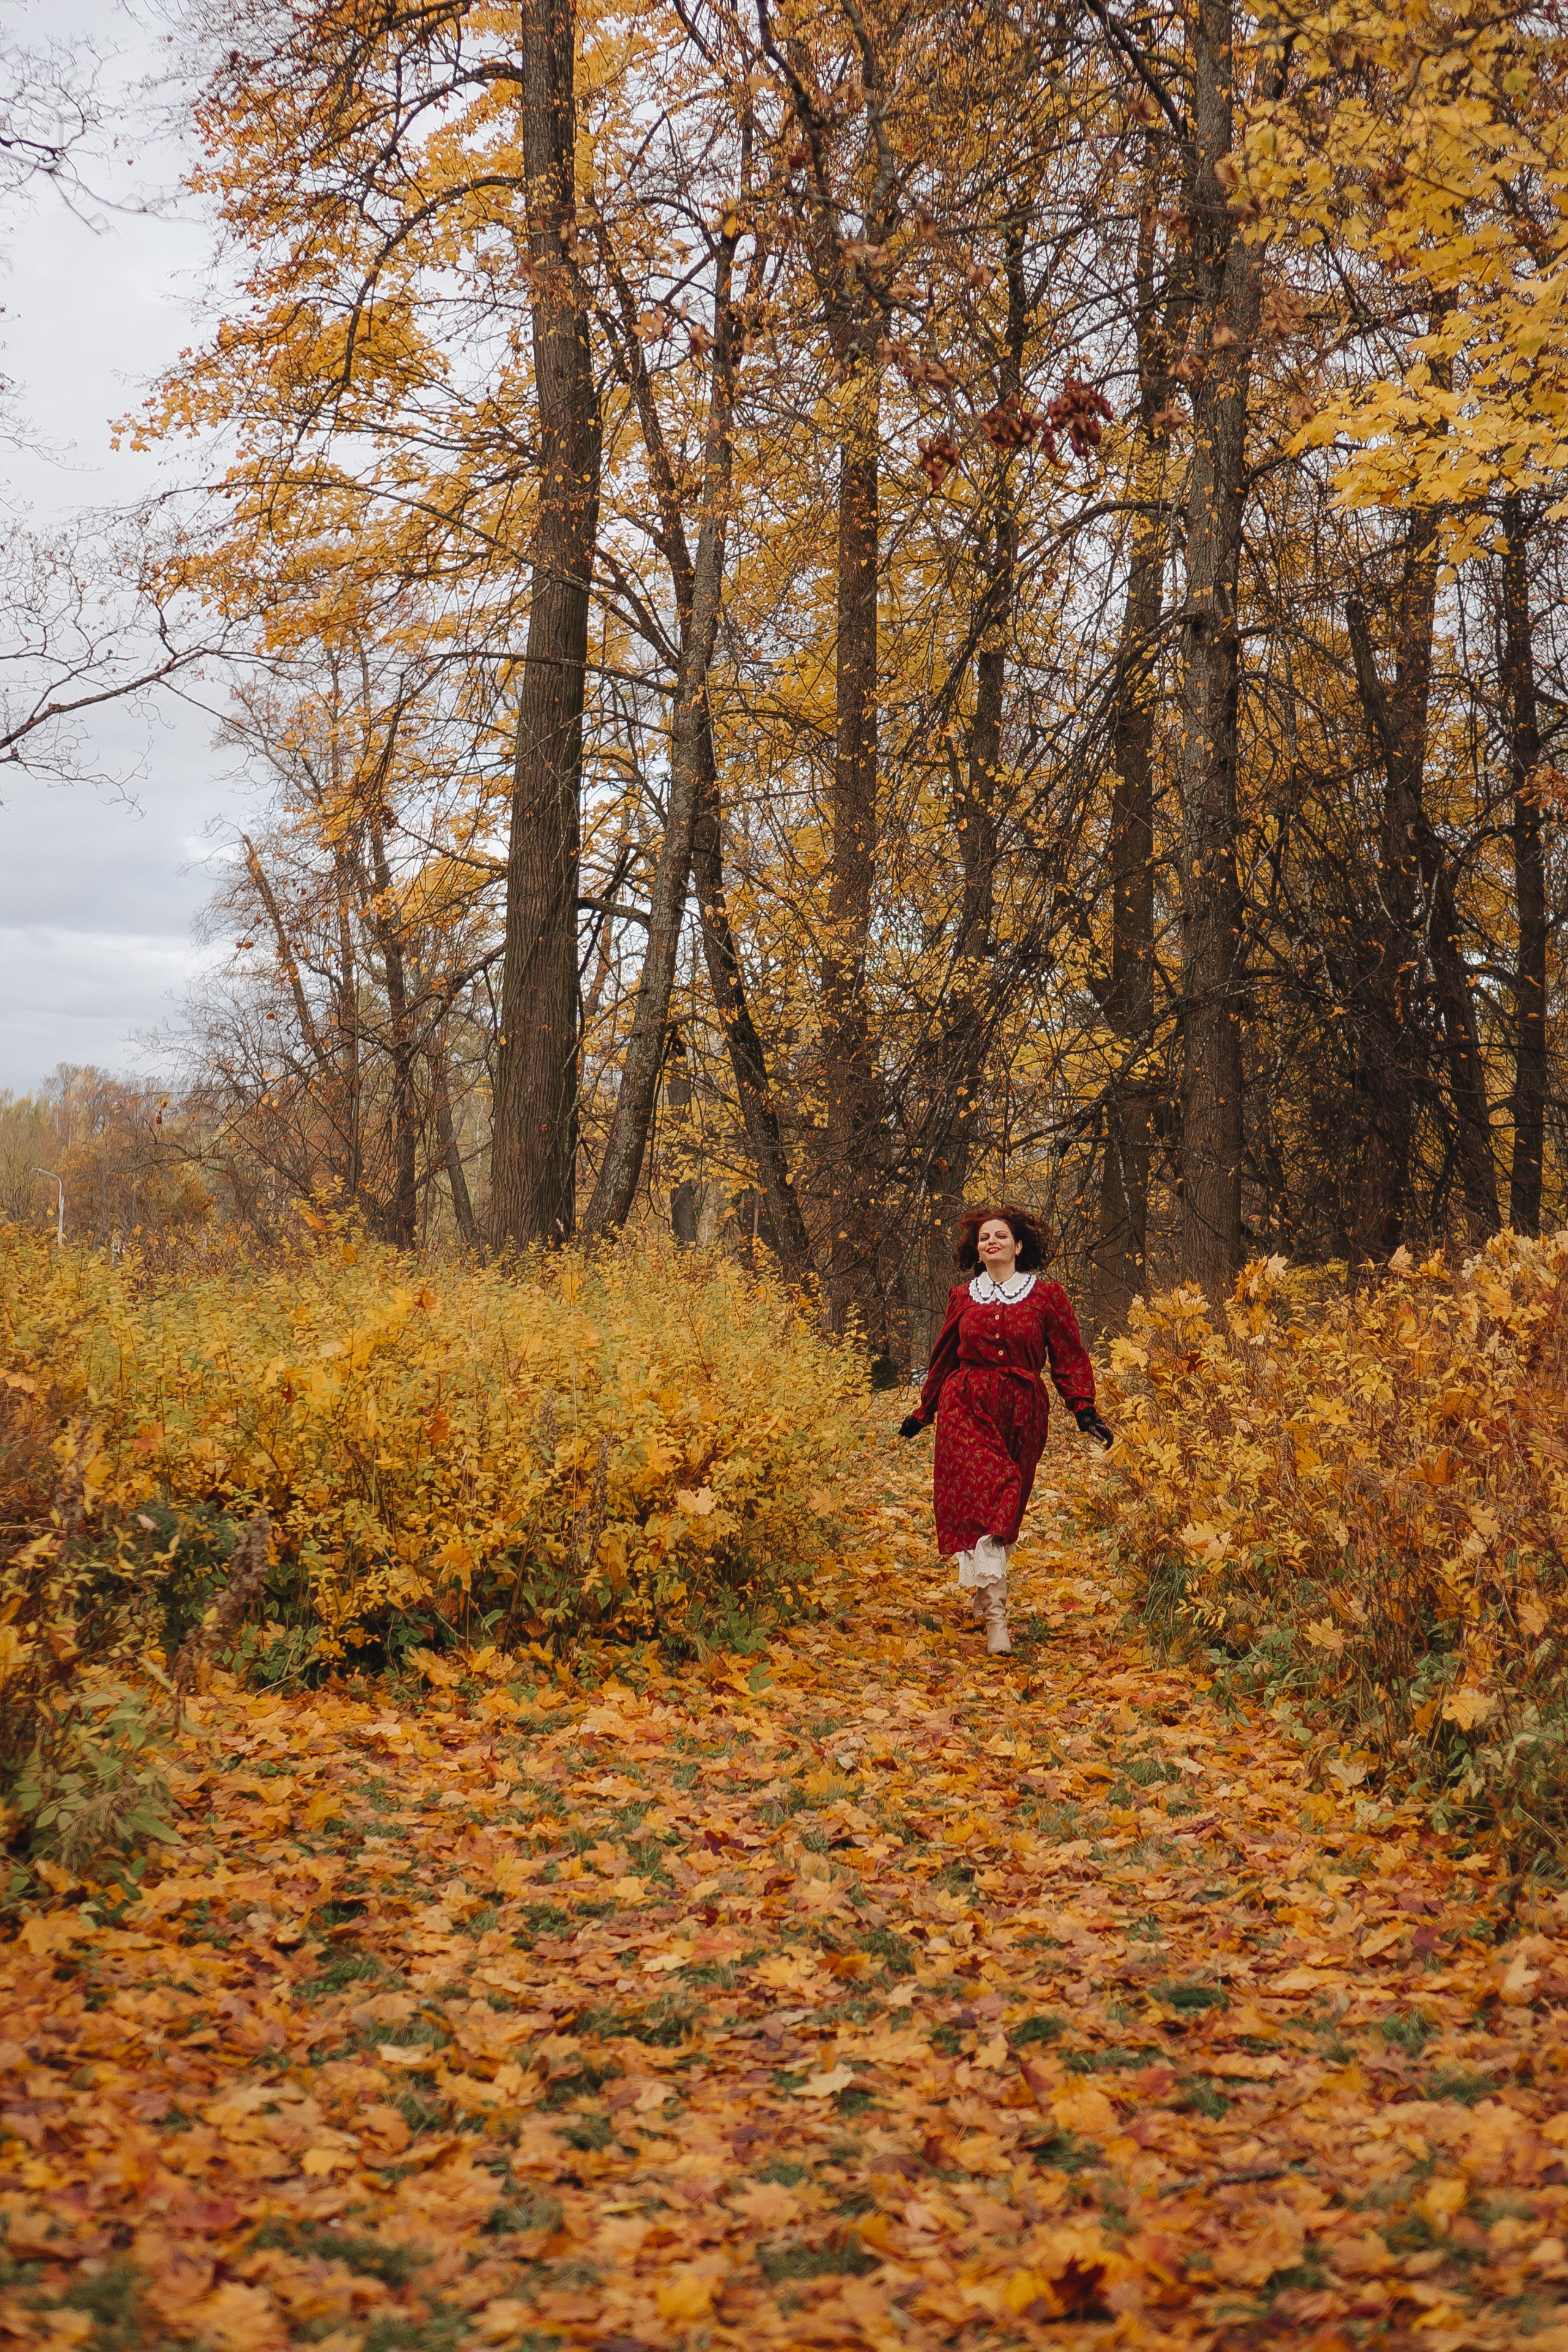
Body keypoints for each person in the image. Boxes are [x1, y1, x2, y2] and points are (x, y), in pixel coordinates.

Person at [899, 1204, 1112, 1654]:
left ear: (1018, 1246)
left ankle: (985, 1592)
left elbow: (1069, 1354)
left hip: (1022, 1410)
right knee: (994, 1494)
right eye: (984, 1238)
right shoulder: (963, 1296)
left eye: (1000, 1236)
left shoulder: (1046, 1296)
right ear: (977, 1251)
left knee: (1006, 1510)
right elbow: (944, 1357)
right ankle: (998, 1620)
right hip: (966, 1404)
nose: (991, 1242)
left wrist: (1084, 1408)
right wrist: (924, 1411)